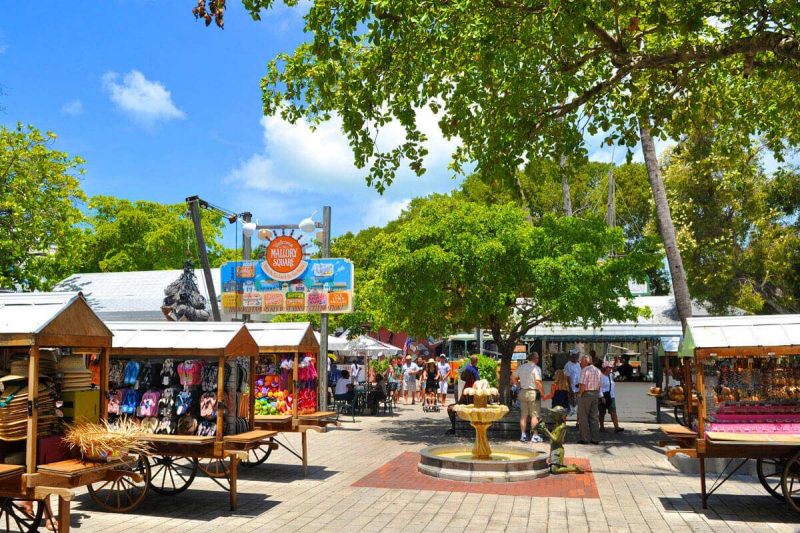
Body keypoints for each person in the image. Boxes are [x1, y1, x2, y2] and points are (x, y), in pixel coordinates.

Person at [511, 352, 545, 443]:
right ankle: (535, 435)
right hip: (532, 392)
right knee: (534, 415)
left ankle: (523, 435)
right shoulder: (536, 368)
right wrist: (543, 393)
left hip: (523, 392)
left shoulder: (521, 367)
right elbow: (538, 382)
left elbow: (513, 377)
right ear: (536, 359)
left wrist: (519, 385)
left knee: (524, 415)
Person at [445, 364, 478, 435]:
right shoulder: (465, 383)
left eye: (464, 373)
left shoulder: (474, 383)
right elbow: (462, 399)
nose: (462, 375)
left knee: (451, 408)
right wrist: (458, 404)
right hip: (466, 403)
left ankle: (455, 428)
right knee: (450, 408)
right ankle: (454, 428)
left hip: (473, 404)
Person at [577, 354, 602, 444]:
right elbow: (599, 385)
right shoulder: (597, 370)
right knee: (594, 417)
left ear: (585, 361)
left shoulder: (585, 370)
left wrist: (580, 394)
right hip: (595, 393)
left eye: (582, 361)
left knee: (583, 417)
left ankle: (584, 438)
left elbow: (583, 385)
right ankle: (595, 438)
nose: (580, 363)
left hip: (586, 394)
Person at [600, 362, 624, 432]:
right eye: (609, 368)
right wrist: (601, 397)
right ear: (605, 368)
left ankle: (616, 427)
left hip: (611, 396)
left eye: (611, 368)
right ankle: (601, 427)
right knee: (602, 412)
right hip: (604, 395)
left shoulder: (610, 375)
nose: (610, 369)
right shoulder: (601, 376)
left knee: (613, 411)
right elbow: (599, 387)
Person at [563, 350, 581, 415]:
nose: (577, 356)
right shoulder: (568, 365)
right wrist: (570, 389)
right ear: (572, 356)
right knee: (569, 407)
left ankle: (578, 422)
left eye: (578, 355)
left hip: (578, 389)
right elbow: (567, 377)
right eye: (576, 355)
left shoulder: (578, 364)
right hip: (571, 389)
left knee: (579, 407)